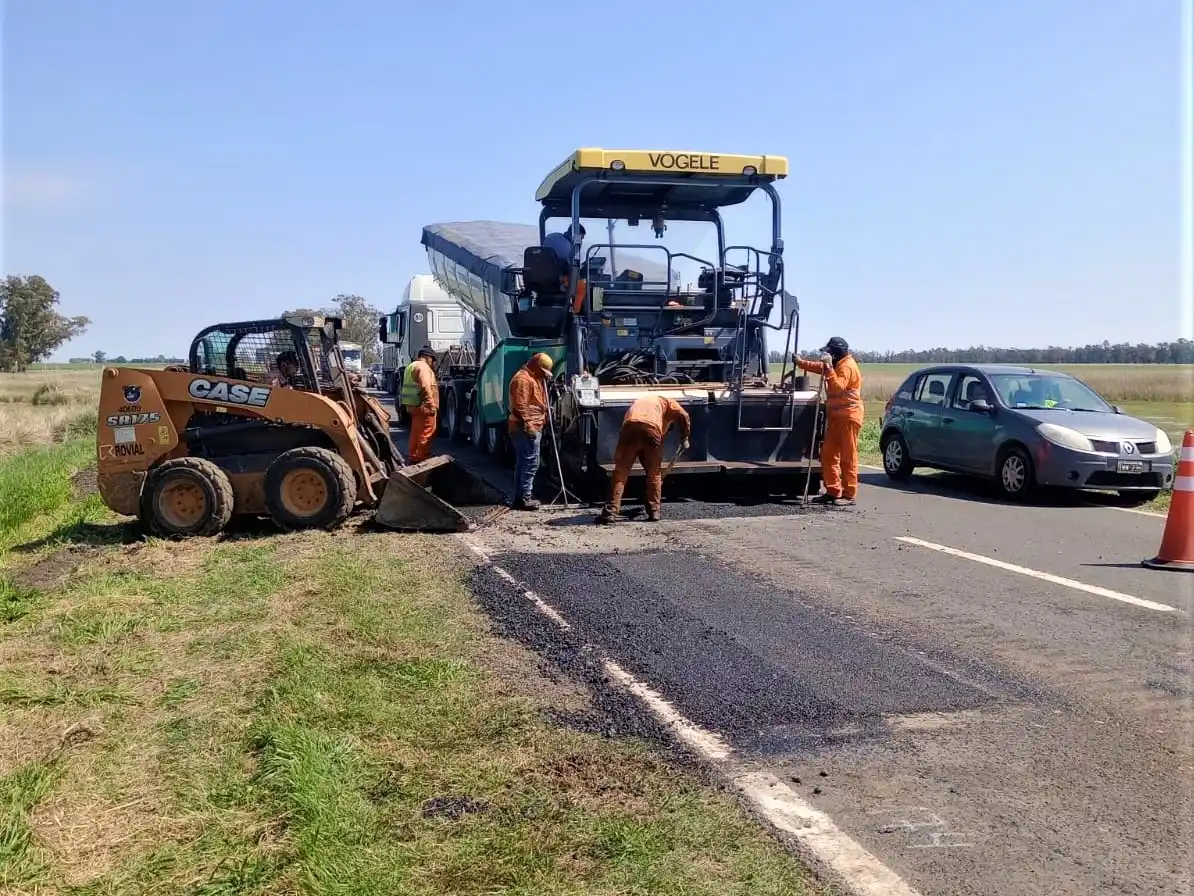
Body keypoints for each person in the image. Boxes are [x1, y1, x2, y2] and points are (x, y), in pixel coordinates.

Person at [596, 394, 691, 524]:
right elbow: (684, 415)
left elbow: (638, 436)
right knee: (654, 474)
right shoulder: (669, 403)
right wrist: (685, 437)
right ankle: (654, 511)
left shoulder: (644, 403)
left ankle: (610, 513)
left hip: (629, 429)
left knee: (620, 473)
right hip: (651, 431)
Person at [797, 336, 863, 506]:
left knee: (848, 457)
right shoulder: (837, 365)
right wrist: (801, 363)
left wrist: (828, 367)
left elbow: (837, 386)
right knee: (828, 455)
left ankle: (849, 494)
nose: (827, 355)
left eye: (829, 352)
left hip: (848, 417)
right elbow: (822, 368)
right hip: (836, 418)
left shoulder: (847, 366)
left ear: (836, 353)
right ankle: (833, 491)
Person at [507, 352, 553, 510]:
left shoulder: (533, 378)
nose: (544, 375)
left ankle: (519, 497)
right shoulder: (523, 379)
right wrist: (529, 425)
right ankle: (525, 497)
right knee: (531, 462)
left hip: (529, 426)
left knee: (523, 462)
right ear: (536, 366)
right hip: (524, 428)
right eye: (543, 371)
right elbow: (520, 405)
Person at [400, 346, 439, 463]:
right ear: (427, 357)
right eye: (432, 360)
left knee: (416, 431)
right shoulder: (423, 367)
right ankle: (422, 456)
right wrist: (430, 404)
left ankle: (414, 455)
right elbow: (425, 386)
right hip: (422, 406)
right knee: (427, 431)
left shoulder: (410, 366)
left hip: (412, 406)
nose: (432, 363)